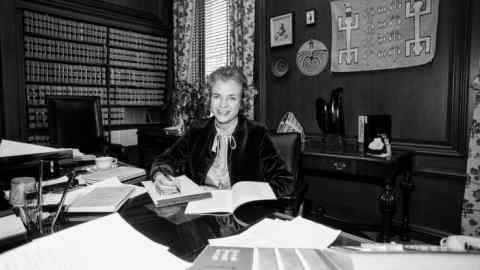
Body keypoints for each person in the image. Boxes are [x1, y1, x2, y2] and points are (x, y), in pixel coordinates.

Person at [151, 66, 294, 199]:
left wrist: (246, 194)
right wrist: (160, 175)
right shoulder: (197, 131)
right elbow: (165, 159)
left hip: (241, 214)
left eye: (232, 98)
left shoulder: (257, 134)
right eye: (217, 96)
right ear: (209, 99)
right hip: (199, 212)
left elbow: (285, 182)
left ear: (242, 102)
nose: (223, 104)